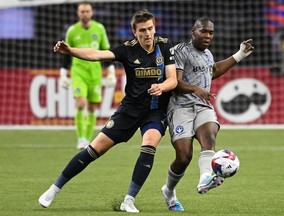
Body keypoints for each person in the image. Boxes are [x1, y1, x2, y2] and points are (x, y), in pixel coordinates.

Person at [38, 9, 177, 213]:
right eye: (142, 31)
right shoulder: (127, 49)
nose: (148, 34)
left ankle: (128, 200)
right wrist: (70, 51)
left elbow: (172, 79)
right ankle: (53, 189)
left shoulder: (164, 46)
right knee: (94, 149)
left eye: (150, 29)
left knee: (149, 144)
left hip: (155, 110)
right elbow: (96, 55)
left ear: (154, 27)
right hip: (129, 110)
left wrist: (162, 87)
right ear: (134, 32)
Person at [160, 17, 254, 211]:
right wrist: (195, 89)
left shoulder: (208, 54)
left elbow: (213, 70)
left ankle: (204, 178)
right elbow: (175, 82)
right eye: (204, 31)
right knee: (184, 156)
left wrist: (239, 55)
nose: (208, 36)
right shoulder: (180, 51)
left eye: (211, 32)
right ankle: (168, 191)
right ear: (193, 31)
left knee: (209, 136)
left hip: (203, 106)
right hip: (180, 107)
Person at [59, 1, 117, 150]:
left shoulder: (99, 29)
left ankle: (87, 138)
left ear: (91, 13)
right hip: (78, 72)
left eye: (87, 11)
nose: (85, 14)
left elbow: (106, 51)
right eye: (82, 11)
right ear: (78, 13)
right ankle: (81, 139)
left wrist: (111, 72)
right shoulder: (72, 31)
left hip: (95, 73)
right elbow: (66, 54)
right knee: (80, 103)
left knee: (92, 107)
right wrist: (63, 74)